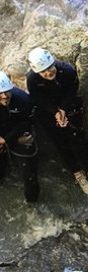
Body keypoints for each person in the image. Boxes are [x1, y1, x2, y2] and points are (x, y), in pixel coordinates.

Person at [25, 47, 88, 196]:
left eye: (49, 68)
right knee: (61, 143)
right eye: (43, 72)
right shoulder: (33, 79)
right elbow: (38, 99)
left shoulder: (67, 71)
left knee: (79, 139)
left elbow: (72, 90)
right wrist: (54, 112)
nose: (48, 73)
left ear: (53, 63)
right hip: (47, 113)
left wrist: (62, 109)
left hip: (69, 107)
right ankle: (76, 171)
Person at [0, 70, 40, 203]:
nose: (5, 96)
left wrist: (8, 139)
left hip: (19, 135)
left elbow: (29, 121)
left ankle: (32, 200)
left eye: (7, 91)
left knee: (29, 174)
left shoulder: (22, 99)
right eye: (0, 93)